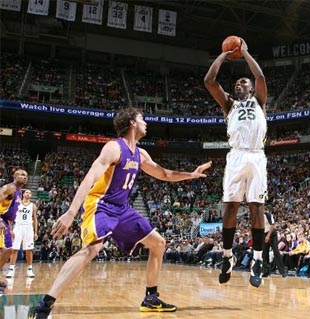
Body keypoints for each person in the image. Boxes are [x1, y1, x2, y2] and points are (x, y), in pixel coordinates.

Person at [30, 108, 212, 318]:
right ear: (132, 123)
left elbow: (164, 174)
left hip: (122, 209)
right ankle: (44, 305)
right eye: (142, 119)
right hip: (101, 205)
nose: (146, 122)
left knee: (158, 243)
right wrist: (71, 212)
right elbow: (89, 179)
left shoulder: (140, 153)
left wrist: (191, 174)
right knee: (92, 249)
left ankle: (151, 298)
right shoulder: (113, 148)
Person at [204, 38, 268, 287]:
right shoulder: (229, 104)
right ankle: (228, 257)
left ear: (251, 89)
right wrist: (223, 55)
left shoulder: (260, 102)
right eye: (237, 83)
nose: (239, 85)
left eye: (244, 82)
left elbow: (260, 76)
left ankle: (258, 260)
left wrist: (245, 53)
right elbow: (209, 82)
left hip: (256, 155)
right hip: (237, 155)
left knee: (256, 208)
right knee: (230, 208)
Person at [0, 170, 29, 279]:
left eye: (26, 175)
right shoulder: (10, 188)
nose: (25, 177)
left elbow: (10, 212)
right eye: (22, 175)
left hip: (6, 222)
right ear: (15, 176)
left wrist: (11, 229)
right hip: (1, 220)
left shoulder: (19, 192)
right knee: (6, 250)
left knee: (7, 251)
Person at [6, 189, 38, 278]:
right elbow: (11, 216)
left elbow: (35, 219)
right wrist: (11, 229)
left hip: (28, 227)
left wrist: (35, 232)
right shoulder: (17, 204)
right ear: (23, 194)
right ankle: (11, 270)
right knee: (14, 249)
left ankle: (30, 270)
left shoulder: (33, 206)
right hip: (18, 226)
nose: (29, 194)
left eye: (30, 193)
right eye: (27, 192)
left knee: (29, 250)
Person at [262, 210, 286, 277]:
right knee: (264, 253)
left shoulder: (268, 215)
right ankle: (266, 271)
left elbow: (272, 225)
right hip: (264, 234)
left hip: (272, 234)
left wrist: (268, 236)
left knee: (276, 251)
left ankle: (283, 271)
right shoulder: (257, 217)